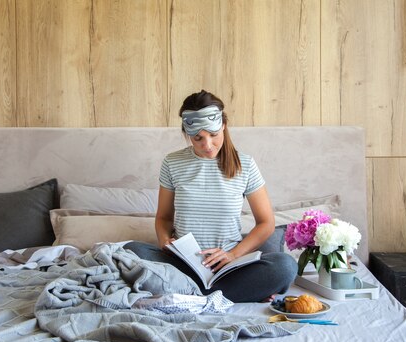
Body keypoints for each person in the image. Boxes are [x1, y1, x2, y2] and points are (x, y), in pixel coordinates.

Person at [124, 90, 297, 302]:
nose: (207, 145)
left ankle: (192, 294)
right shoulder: (172, 163)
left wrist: (233, 255)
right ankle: (229, 294)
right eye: (198, 139)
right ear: (188, 135)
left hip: (230, 266)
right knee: (129, 250)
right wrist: (164, 242)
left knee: (286, 266)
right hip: (183, 265)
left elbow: (266, 223)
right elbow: (164, 218)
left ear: (223, 125)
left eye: (213, 135)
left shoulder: (246, 165)